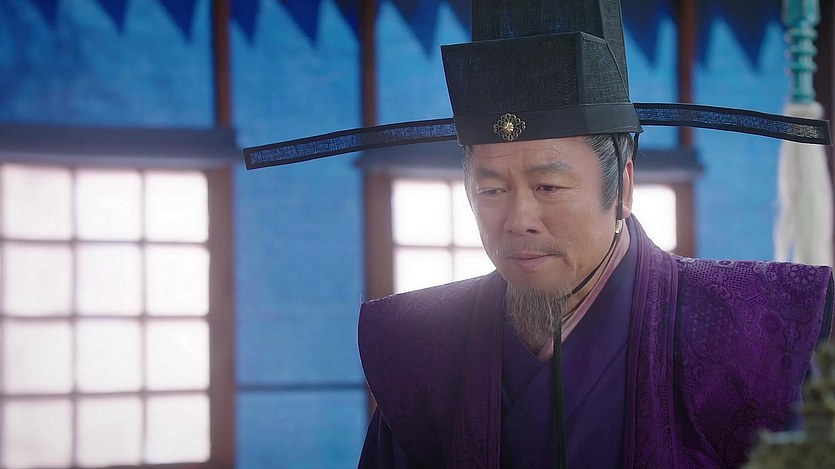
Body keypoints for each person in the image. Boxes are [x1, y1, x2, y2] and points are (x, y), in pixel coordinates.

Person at [243, 0, 834, 467]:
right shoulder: (421, 349)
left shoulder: (758, 329)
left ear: (623, 186)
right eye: (491, 189)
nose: (518, 218)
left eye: (549, 186)